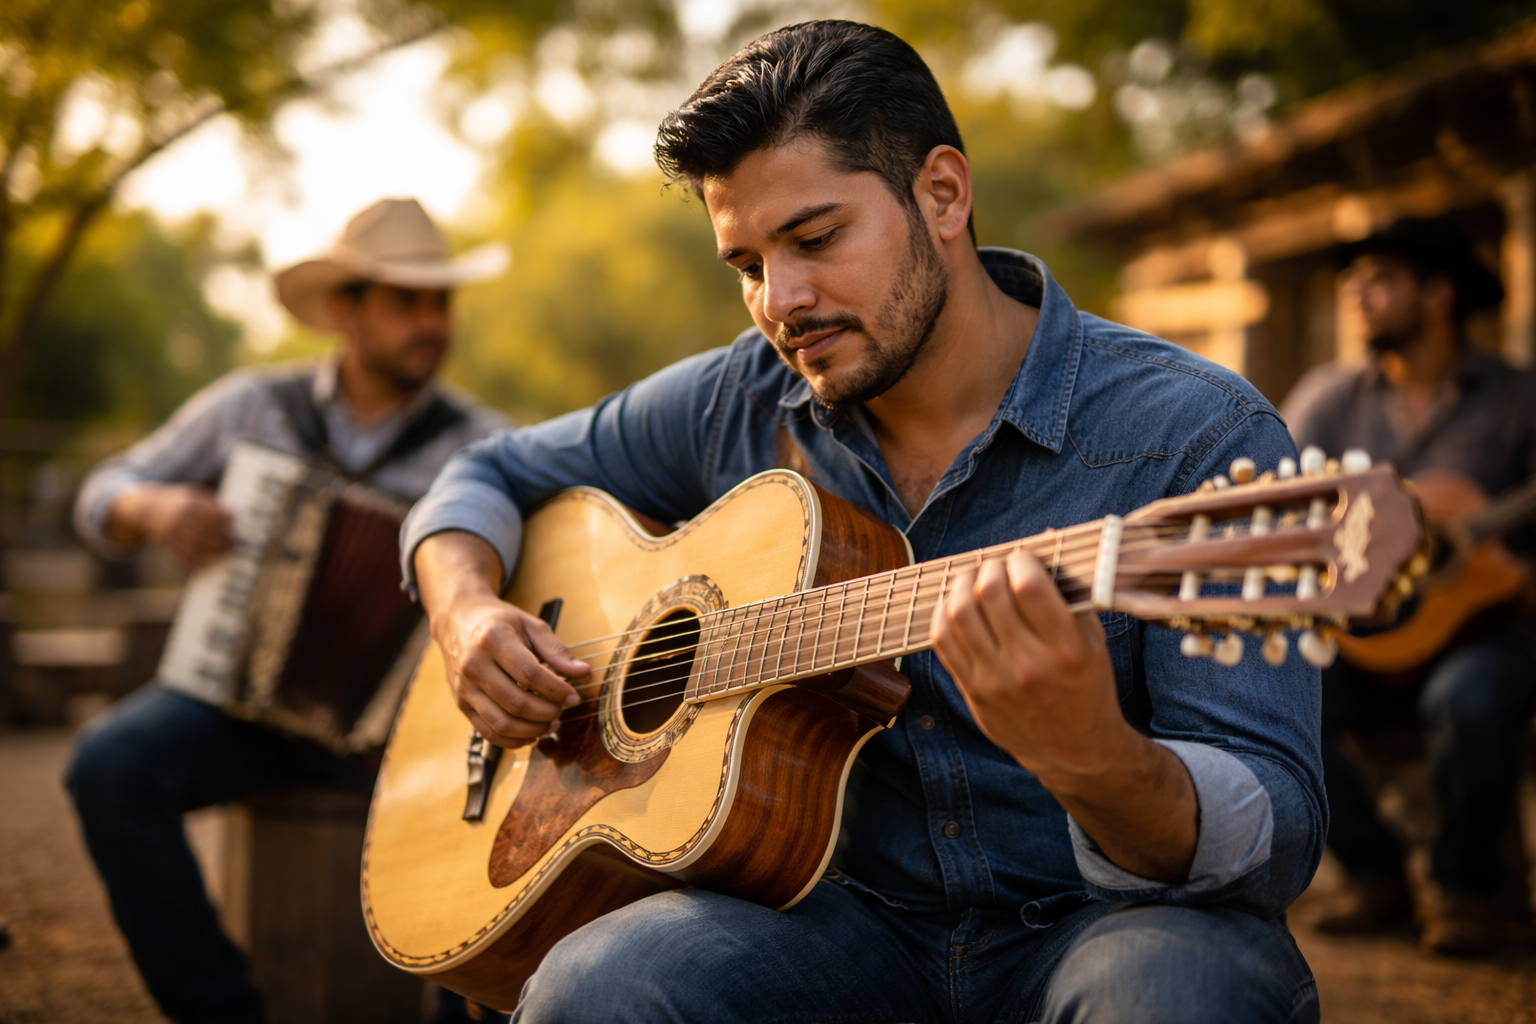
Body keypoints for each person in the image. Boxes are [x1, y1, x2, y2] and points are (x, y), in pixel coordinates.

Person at [403, 22, 1325, 1023]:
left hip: (1104, 923)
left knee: (1181, 988)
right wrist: (466, 615)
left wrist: (1097, 757)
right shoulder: (740, 397)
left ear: (942, 194)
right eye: (745, 263)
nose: (781, 301)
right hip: (828, 929)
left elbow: (1274, 828)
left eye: (815, 238)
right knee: (597, 988)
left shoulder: (1197, 437)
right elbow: (484, 471)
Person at [65, 198, 507, 1024]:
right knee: (108, 767)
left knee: (487, 831)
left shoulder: (483, 445)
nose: (431, 322)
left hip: (399, 734)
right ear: (346, 309)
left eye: (440, 301)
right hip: (236, 702)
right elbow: (104, 491)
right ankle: (220, 1013)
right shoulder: (248, 407)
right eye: (406, 300)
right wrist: (154, 508)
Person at [1283, 216, 1536, 954]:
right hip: (1362, 635)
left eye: (1381, 279)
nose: (1359, 295)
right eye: (1353, 282)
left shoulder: (1516, 398)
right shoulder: (1332, 399)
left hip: (1488, 630)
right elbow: (1274, 500)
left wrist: (1517, 576)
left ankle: (1464, 891)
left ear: (1439, 294)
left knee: (1471, 698)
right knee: (1283, 687)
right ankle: (1376, 874)